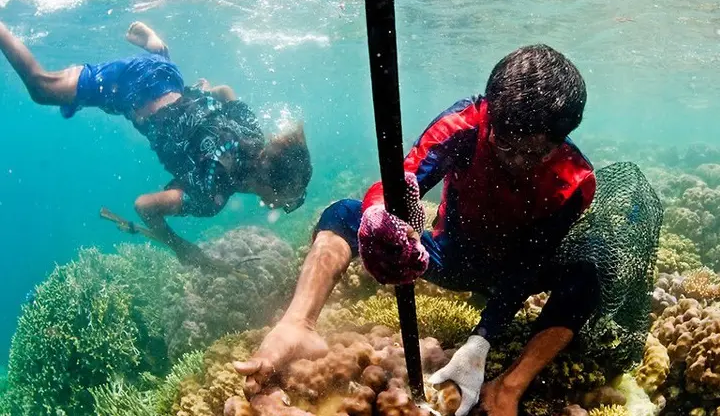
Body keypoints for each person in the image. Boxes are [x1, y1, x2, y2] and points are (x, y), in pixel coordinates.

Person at [234, 44, 600, 416]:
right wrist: (380, 218)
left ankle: (509, 387)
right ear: (490, 111)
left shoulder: (574, 181)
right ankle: (298, 324)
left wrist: (482, 341)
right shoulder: (464, 125)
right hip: (449, 257)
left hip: (514, 269)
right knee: (345, 213)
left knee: (588, 274)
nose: (518, 161)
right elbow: (401, 182)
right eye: (505, 143)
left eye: (536, 152)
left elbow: (528, 263)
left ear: (562, 138)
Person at [0, 20, 312, 271]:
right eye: (289, 200)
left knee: (162, 78)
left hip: (168, 78)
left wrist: (201, 96)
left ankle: (158, 49)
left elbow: (227, 92)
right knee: (42, 88)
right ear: (270, 187)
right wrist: (181, 248)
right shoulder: (211, 194)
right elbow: (144, 206)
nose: (287, 206)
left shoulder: (252, 134)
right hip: (128, 88)